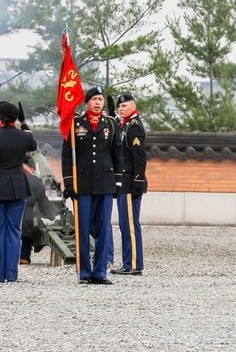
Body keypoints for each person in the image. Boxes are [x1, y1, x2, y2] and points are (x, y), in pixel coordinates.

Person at [62, 86, 122, 285]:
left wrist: (118, 181)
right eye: (94, 99)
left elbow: (117, 154)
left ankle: (99, 272)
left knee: (104, 228)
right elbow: (66, 156)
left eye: (100, 99)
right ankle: (84, 271)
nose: (98, 103)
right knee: (82, 227)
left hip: (105, 183)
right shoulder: (75, 123)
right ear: (86, 102)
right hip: (83, 183)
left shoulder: (111, 124)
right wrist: (69, 182)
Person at [0, 101, 37, 282]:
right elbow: (33, 144)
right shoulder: (24, 137)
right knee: (14, 231)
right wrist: (23, 123)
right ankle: (11, 274)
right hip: (17, 188)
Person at [111, 94, 147, 276]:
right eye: (119, 106)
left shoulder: (134, 128)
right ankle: (127, 262)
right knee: (125, 225)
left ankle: (134, 264)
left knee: (131, 226)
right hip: (123, 183)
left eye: (124, 106)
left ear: (133, 107)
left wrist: (138, 182)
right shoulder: (123, 125)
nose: (120, 109)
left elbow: (140, 158)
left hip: (130, 183)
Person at [19, 155, 59, 265]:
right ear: (31, 168)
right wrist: (54, 216)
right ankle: (23, 255)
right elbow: (44, 206)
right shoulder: (36, 182)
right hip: (25, 226)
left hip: (6, 220)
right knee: (27, 223)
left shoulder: (7, 177)